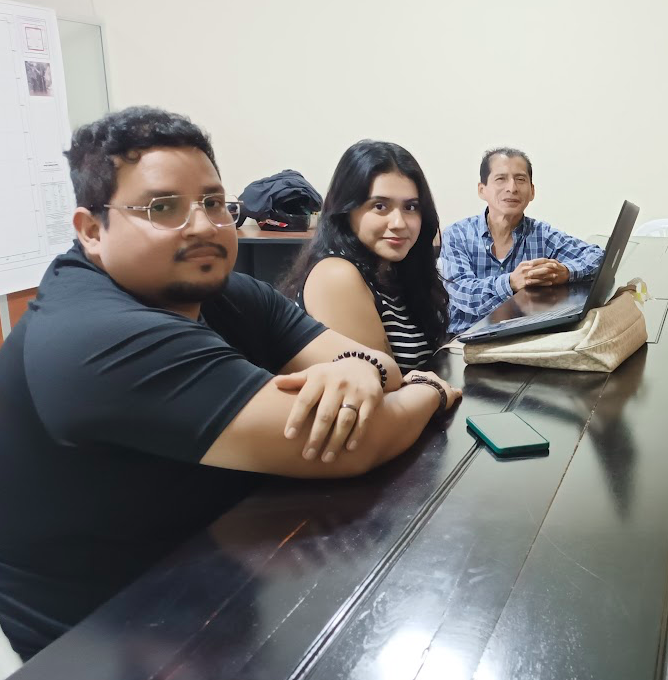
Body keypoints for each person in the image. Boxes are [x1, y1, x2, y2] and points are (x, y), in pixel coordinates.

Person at [0, 107, 462, 661]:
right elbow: (352, 443)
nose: (203, 226)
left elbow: (378, 367)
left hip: (217, 579)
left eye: (214, 202)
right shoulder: (93, 336)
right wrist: (431, 391)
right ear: (92, 230)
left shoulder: (224, 293)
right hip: (109, 640)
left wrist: (359, 368)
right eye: (163, 207)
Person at [278, 140, 450, 371]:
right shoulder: (336, 275)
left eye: (410, 207)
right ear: (346, 210)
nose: (399, 223)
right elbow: (380, 383)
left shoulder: (393, 271)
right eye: (380, 206)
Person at [440, 147, 604, 334]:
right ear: (482, 190)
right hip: (465, 340)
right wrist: (511, 282)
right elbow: (464, 293)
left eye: (520, 179)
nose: (512, 188)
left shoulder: (542, 234)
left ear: (532, 191)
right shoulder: (457, 234)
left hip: (522, 338)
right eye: (501, 179)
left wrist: (566, 272)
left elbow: (598, 257)